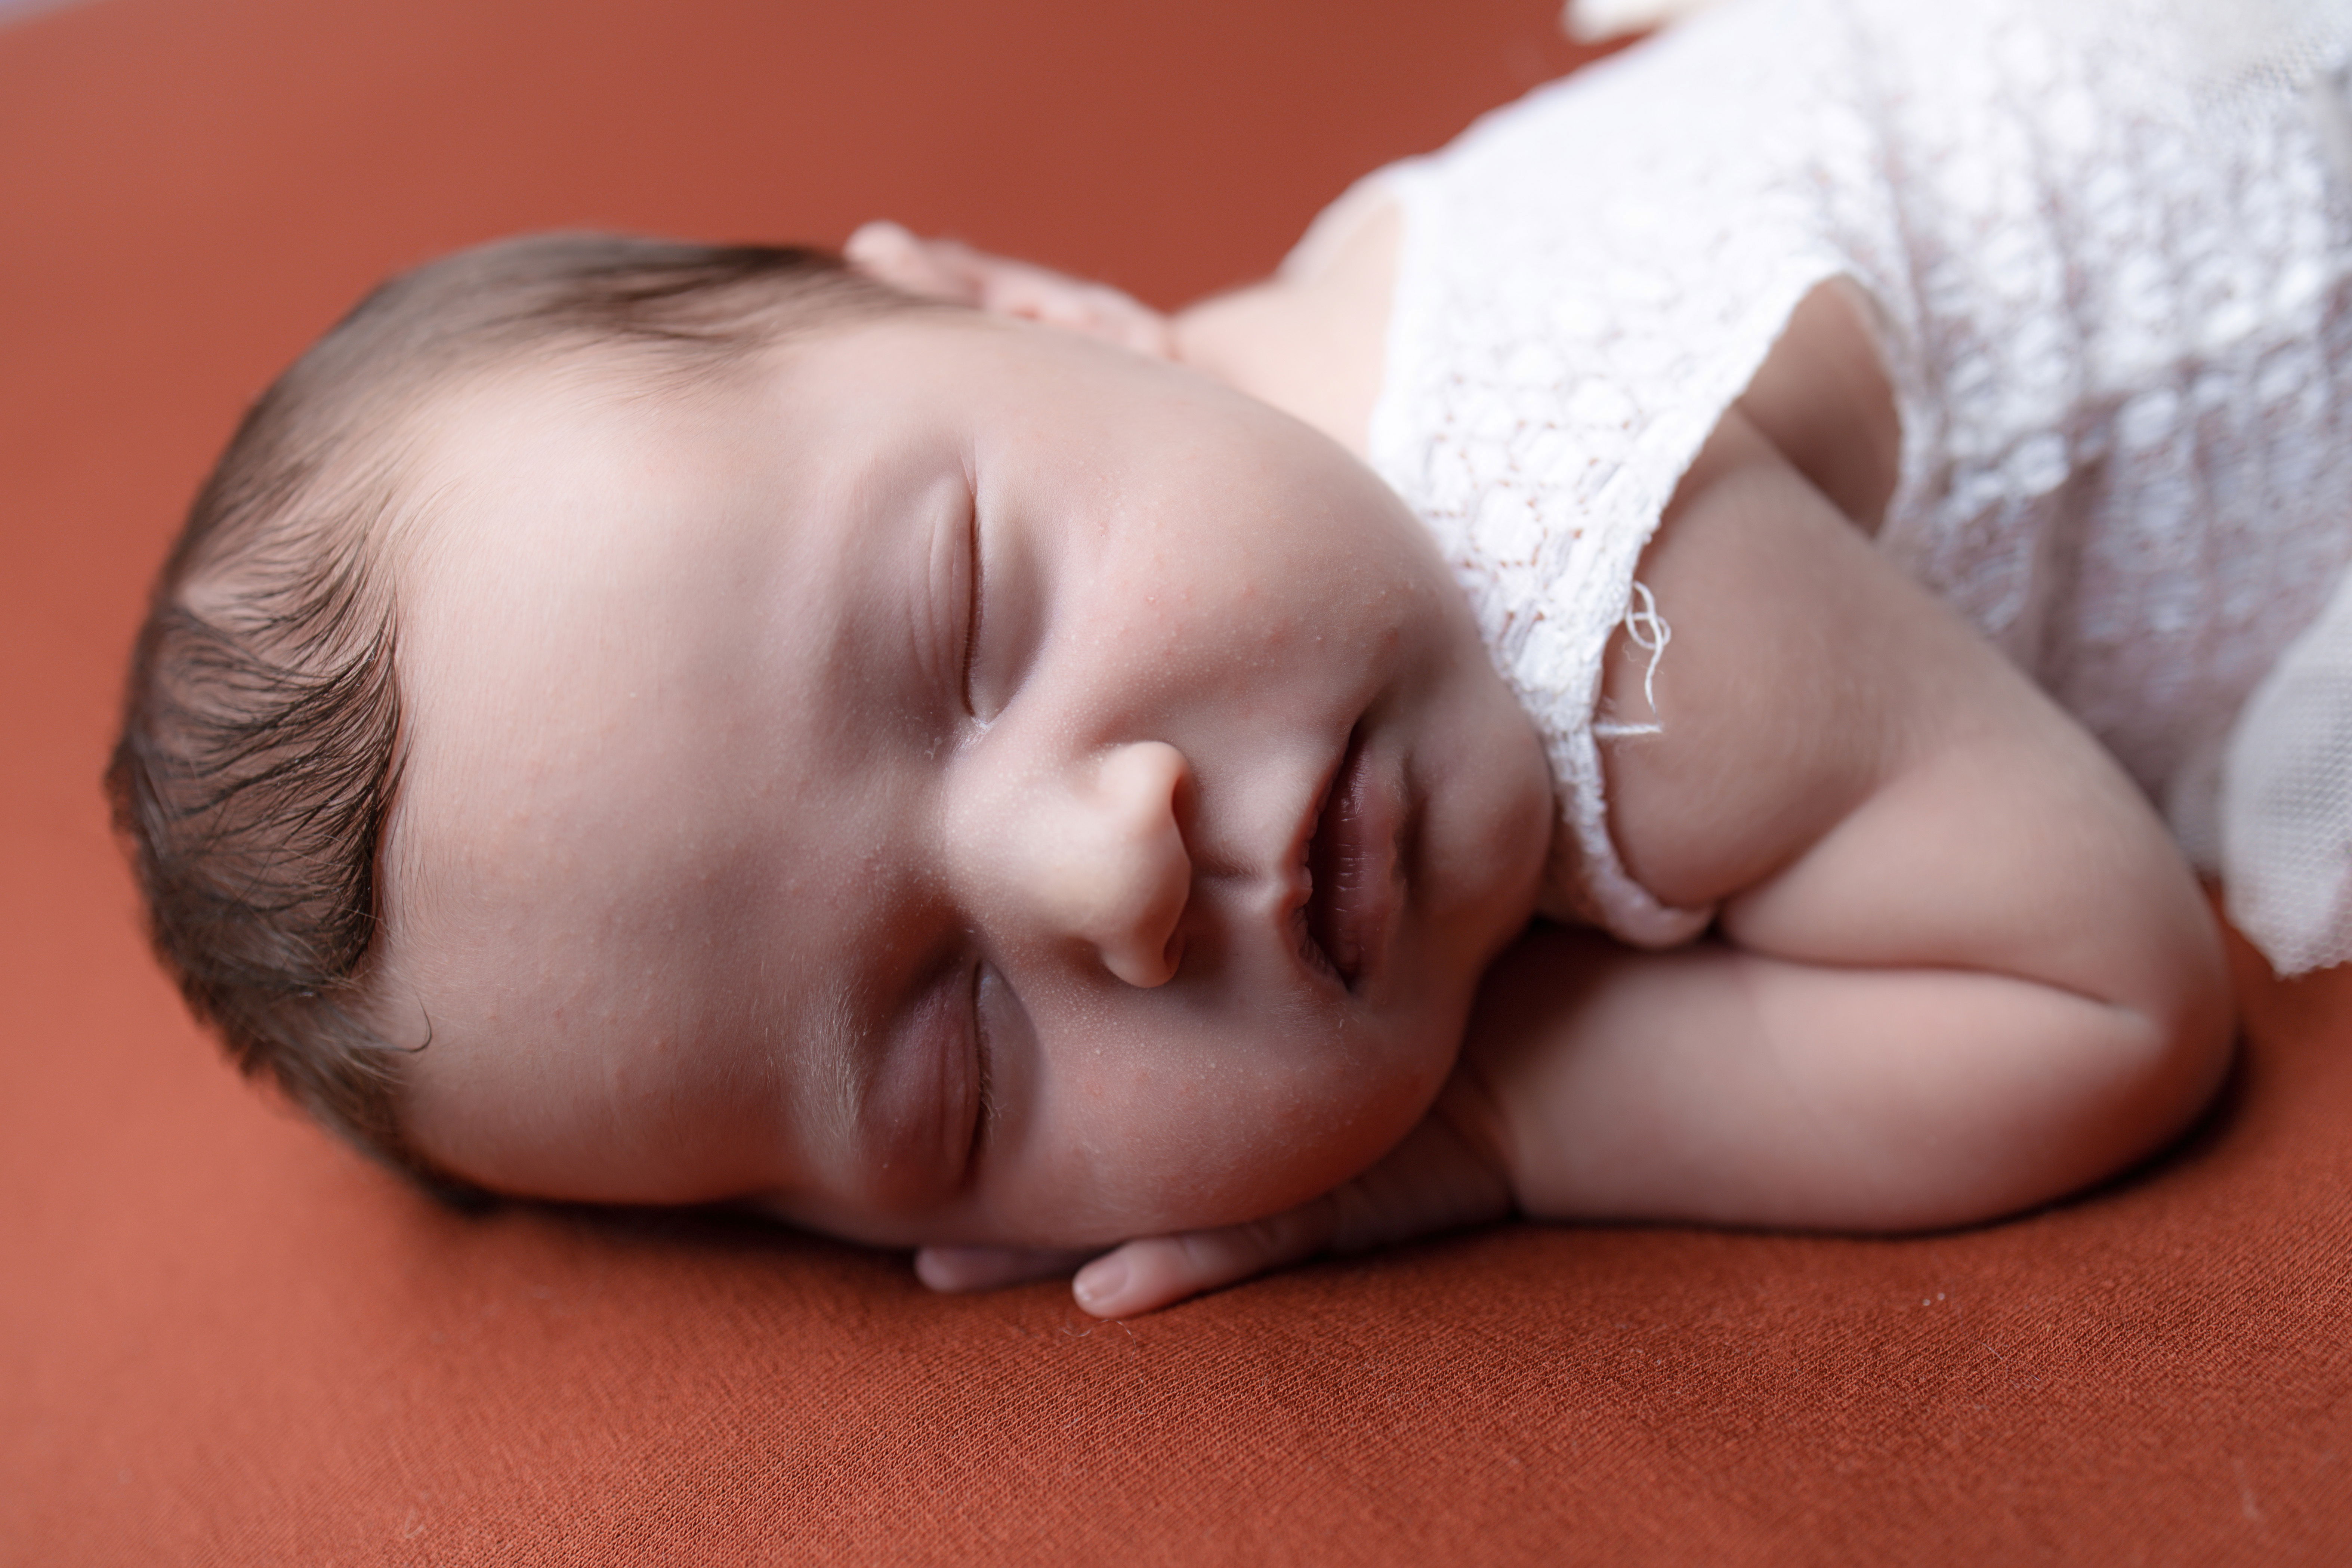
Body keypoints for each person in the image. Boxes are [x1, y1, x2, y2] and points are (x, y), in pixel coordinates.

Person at [111, 0, 2351, 1318]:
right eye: (955, 1059)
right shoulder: (1251, 390)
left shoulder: (1624, 610)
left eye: (972, 630)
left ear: (1026, 306)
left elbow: (2100, 1003)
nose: (1113, 869)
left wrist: (1511, 1118)